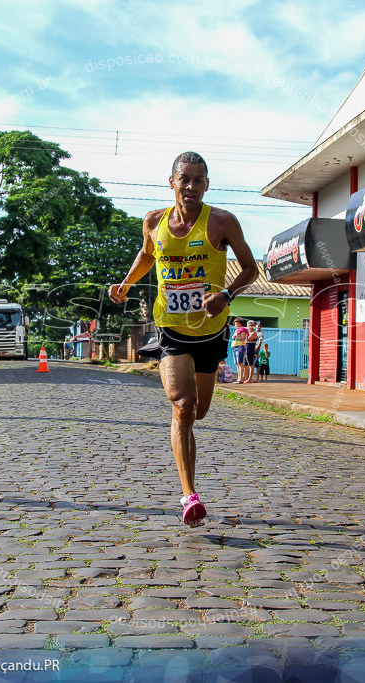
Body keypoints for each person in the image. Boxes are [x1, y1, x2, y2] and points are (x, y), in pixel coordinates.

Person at [109, 151, 257, 527]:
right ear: (172, 181)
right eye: (185, 179)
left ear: (207, 185)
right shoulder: (154, 221)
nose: (191, 186)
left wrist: (226, 294)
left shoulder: (222, 222)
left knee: (201, 410)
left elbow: (252, 268)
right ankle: (189, 495)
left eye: (199, 180)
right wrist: (126, 284)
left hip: (211, 330)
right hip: (171, 329)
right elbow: (146, 255)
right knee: (183, 406)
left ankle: (190, 481)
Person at [231, 318, 249, 383]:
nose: (236, 324)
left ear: (241, 323)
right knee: (237, 364)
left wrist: (236, 336)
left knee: (240, 363)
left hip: (240, 346)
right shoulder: (236, 330)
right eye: (235, 323)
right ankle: (238, 378)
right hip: (234, 347)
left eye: (237, 323)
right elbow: (233, 337)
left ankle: (241, 379)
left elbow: (243, 338)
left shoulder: (243, 329)